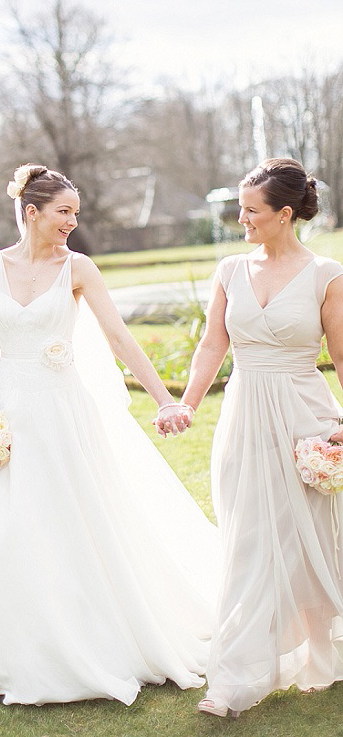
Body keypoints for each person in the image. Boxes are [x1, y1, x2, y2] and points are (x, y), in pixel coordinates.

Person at [0, 164, 220, 704]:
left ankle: (92, 634)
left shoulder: (79, 268)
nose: (72, 222)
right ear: (31, 211)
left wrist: (164, 399)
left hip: (62, 409)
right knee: (8, 521)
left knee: (74, 515)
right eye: (64, 211)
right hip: (10, 410)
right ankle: (7, 642)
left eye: (76, 213)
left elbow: (119, 338)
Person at [177, 158, 343, 719]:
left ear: (285, 214)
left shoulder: (326, 273)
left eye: (251, 210)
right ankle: (238, 673)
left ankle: (314, 653)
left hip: (305, 417)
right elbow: (210, 346)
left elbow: (341, 357)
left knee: (307, 537)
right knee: (248, 537)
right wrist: (186, 405)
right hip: (245, 416)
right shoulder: (229, 269)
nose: (240, 219)